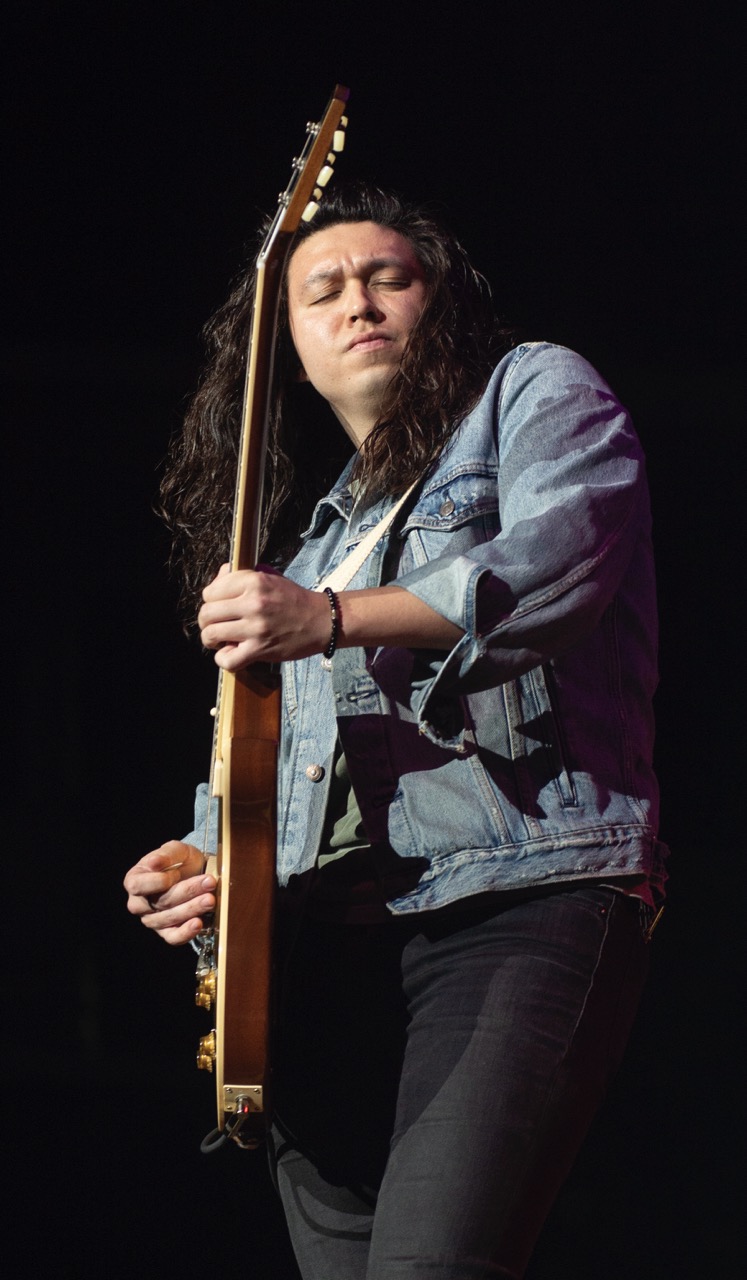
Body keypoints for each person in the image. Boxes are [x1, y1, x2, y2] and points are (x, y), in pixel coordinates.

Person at [124, 183, 667, 1279]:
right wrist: (204, 862)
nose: (358, 303)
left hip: (512, 899)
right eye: (322, 292)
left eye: (388, 278)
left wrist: (326, 620)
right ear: (289, 350)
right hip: (322, 953)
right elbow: (270, 770)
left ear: (440, 301)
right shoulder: (314, 543)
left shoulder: (532, 388)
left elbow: (555, 565)